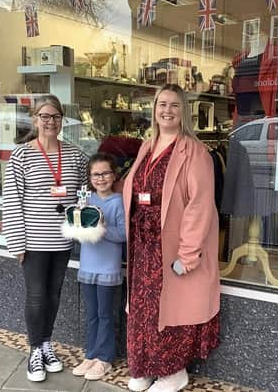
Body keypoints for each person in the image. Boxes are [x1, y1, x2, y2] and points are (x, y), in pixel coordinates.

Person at [122, 84, 220, 392]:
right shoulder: (146, 146)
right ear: (154, 109)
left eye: (174, 105)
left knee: (170, 310)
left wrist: (188, 254)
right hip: (143, 246)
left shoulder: (196, 152)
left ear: (184, 112)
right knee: (144, 310)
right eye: (162, 104)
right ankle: (145, 367)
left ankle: (172, 372)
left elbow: (200, 204)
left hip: (172, 249)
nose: (167, 110)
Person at [2, 94, 88, 382]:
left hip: (62, 240)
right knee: (36, 297)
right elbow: (12, 200)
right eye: (45, 116)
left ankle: (47, 342)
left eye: (56, 117)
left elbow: (88, 189)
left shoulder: (75, 154)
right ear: (35, 119)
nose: (51, 122)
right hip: (33, 241)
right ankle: (34, 350)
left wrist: (84, 216)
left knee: (53, 295)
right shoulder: (22, 154)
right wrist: (16, 242)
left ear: (62, 120)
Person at [72, 153, 126, 381]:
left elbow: (124, 233)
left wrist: (103, 227)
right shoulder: (87, 201)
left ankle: (105, 357)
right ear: (89, 178)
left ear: (114, 175)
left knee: (105, 315)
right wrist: (75, 221)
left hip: (108, 269)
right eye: (96, 174)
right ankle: (91, 353)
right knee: (92, 314)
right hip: (87, 267)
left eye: (105, 173)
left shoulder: (118, 202)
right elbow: (77, 234)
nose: (101, 178)